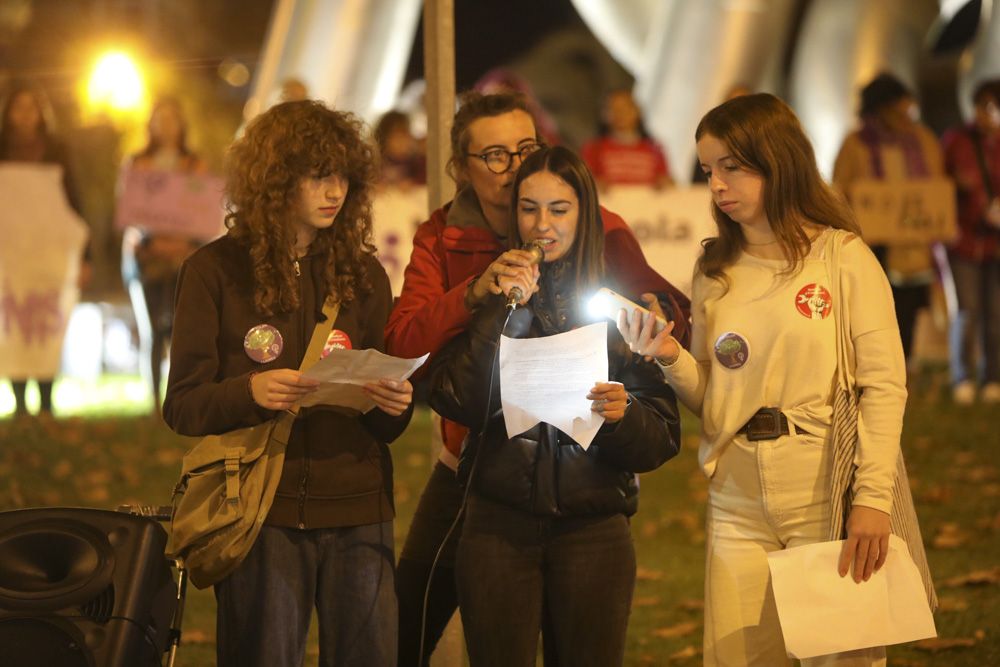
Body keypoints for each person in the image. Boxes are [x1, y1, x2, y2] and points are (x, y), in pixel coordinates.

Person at [385, 90, 692, 666]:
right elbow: (412, 348)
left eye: (525, 147)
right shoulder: (446, 236)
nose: (512, 167)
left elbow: (666, 324)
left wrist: (656, 320)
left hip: (588, 493)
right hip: (478, 478)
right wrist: (481, 297)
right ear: (463, 168)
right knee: (410, 616)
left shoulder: (602, 240)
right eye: (495, 155)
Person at [619, 93, 908, 665]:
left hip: (824, 484)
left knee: (840, 655)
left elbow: (884, 385)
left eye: (733, 165)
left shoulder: (841, 256)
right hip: (736, 497)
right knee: (738, 657)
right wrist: (671, 356)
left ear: (778, 161)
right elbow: (718, 397)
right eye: (707, 170)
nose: (718, 186)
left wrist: (872, 499)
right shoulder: (713, 271)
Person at [162, 100, 414, 667]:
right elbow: (182, 406)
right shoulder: (213, 271)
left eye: (343, 176)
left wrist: (395, 403)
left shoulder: (365, 274)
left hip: (359, 510)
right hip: (260, 513)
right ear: (276, 181)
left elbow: (387, 425)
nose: (335, 191)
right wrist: (249, 393)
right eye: (317, 175)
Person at [833, 73, 945, 365]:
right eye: (898, 108)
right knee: (872, 305)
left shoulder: (922, 139)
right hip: (872, 243)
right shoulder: (856, 144)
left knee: (908, 305)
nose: (905, 115)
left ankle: (904, 361)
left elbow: (936, 185)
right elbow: (841, 188)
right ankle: (872, 364)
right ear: (881, 108)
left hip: (912, 244)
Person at [0, 81, 85, 417]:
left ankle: (46, 402)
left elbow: (74, 202)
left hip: (50, 258)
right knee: (13, 325)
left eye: (30, 107)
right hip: (10, 259)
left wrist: (84, 256)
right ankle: (20, 403)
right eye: (18, 107)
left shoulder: (57, 151)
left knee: (46, 326)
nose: (24, 114)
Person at [120, 97, 207, 411]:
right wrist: (149, 242)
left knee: (178, 329)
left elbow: (202, 211)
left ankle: (177, 396)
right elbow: (129, 212)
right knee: (152, 328)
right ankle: (154, 401)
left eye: (173, 118)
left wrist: (187, 243)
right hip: (147, 260)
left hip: (184, 258)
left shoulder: (194, 165)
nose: (167, 125)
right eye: (161, 118)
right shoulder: (137, 164)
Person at [941, 79, 1000, 404]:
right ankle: (961, 376)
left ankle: (993, 377)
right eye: (983, 106)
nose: (987, 115)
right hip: (963, 242)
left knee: (995, 313)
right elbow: (936, 186)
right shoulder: (956, 142)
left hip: (996, 244)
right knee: (966, 310)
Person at [582, 88, 673, 189]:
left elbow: (666, 180)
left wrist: (665, 183)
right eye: (613, 109)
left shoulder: (655, 149)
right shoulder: (594, 148)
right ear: (604, 114)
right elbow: (584, 182)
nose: (620, 113)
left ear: (637, 111)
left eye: (625, 107)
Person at [373, 110, 426, 187]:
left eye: (405, 136)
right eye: (397, 137)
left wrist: (413, 182)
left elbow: (425, 178)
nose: (402, 142)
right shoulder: (379, 162)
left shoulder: (415, 161)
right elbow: (371, 180)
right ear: (384, 138)